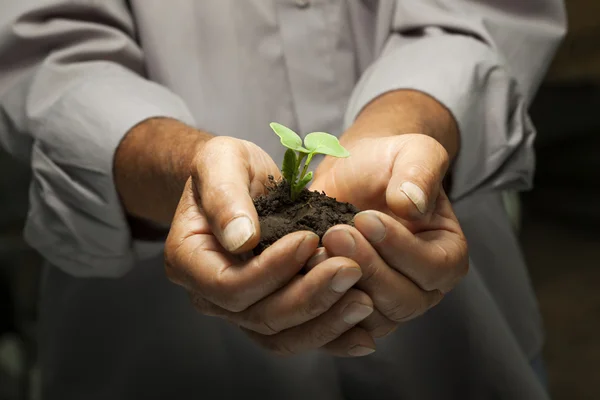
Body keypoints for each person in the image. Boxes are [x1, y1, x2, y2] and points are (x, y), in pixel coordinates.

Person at [0, 1, 565, 399]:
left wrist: (410, 122)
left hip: (453, 344)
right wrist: (179, 166)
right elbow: (47, 54)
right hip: (160, 350)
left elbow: (484, 15)